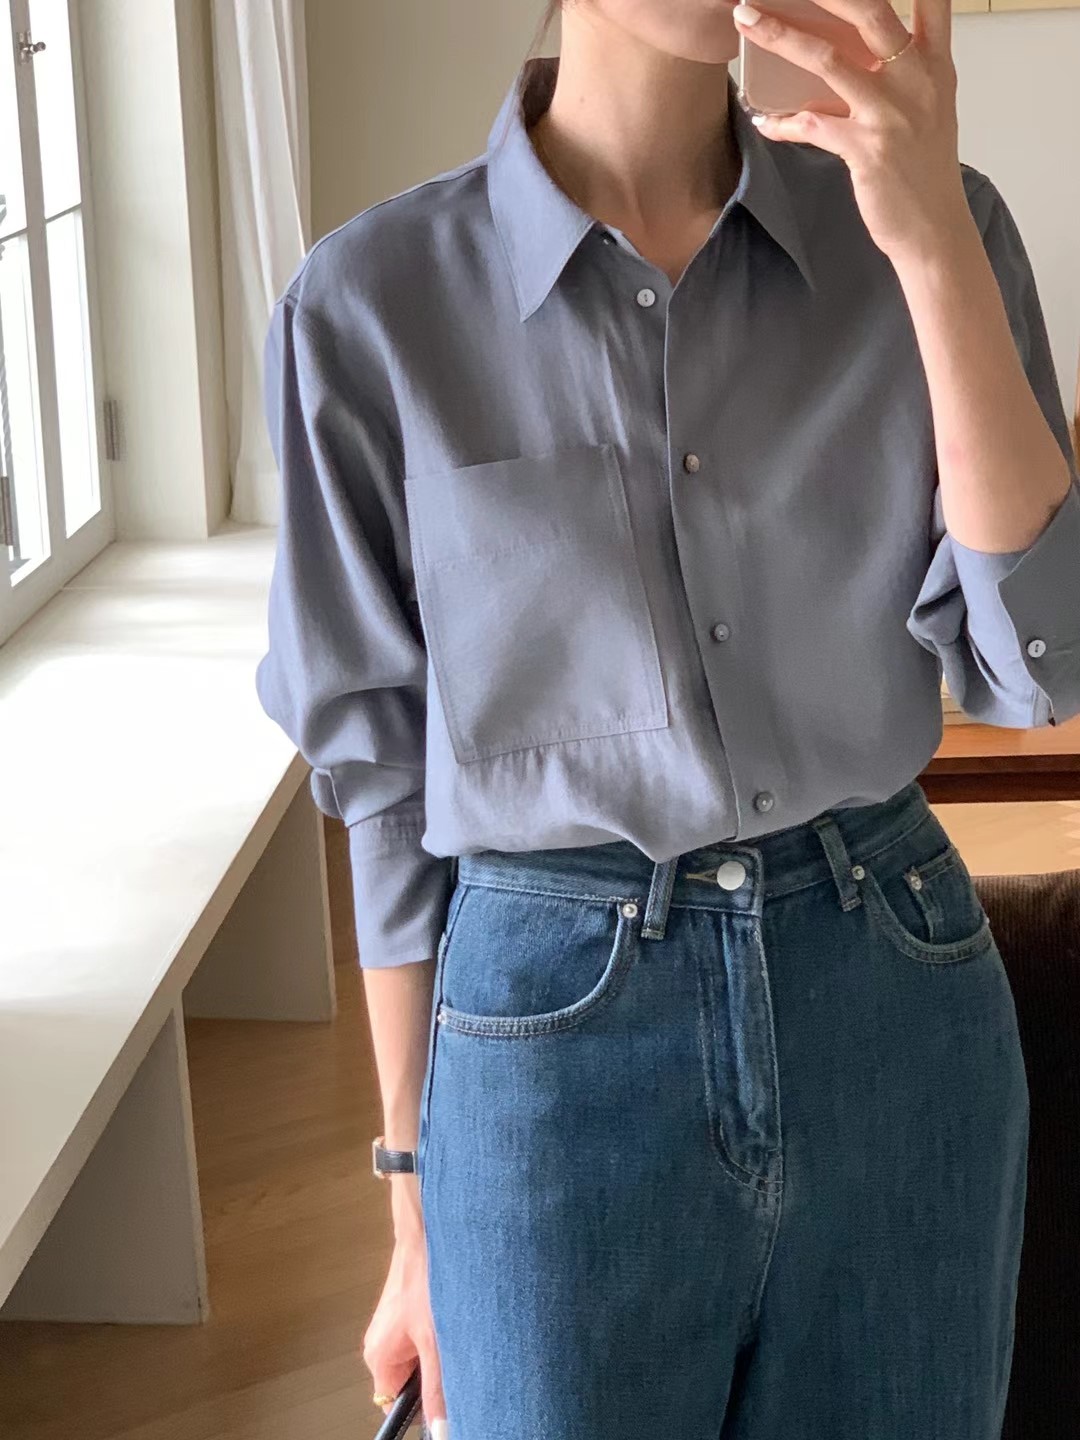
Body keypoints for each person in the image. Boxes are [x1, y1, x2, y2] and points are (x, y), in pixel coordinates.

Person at [254, 0, 1080, 1435]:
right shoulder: (370, 303)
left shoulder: (927, 222)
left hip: (892, 1001)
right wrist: (412, 1202)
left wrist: (935, 242)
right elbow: (380, 783)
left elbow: (1038, 667)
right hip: (550, 1037)